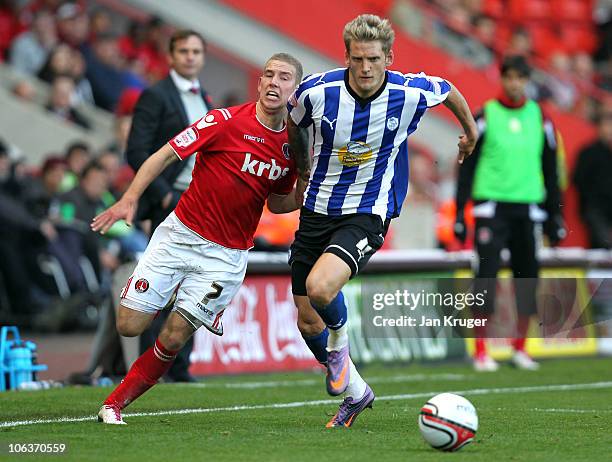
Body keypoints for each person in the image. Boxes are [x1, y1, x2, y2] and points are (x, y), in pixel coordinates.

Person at [287, 14, 477, 428]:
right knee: (305, 316)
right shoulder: (317, 92)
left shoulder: (409, 91)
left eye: (373, 58)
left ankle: (339, 348)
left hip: (367, 211)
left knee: (321, 289)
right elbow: (294, 121)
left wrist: (471, 132)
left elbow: (449, 90)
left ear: (388, 57)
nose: (366, 67)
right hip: (317, 209)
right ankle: (356, 393)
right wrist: (302, 169)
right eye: (358, 59)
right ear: (347, 57)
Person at [93, 53, 304, 424]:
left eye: (284, 77)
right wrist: (129, 197)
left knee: (174, 337)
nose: (274, 82)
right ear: (259, 83)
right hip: (179, 235)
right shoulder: (223, 120)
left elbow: (277, 202)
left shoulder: (292, 145)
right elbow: (164, 155)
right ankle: (174, 290)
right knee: (129, 325)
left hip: (226, 256)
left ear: (294, 90)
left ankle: (114, 405)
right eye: (268, 74)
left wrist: (306, 186)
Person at [454, 55, 566, 372]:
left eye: (520, 78)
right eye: (509, 77)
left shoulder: (540, 118)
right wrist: (461, 213)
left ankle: (520, 349)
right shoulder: (485, 116)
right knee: (486, 277)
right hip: (492, 208)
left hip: (530, 209)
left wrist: (556, 215)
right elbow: (466, 166)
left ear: (527, 81)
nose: (514, 83)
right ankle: (480, 351)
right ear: (502, 79)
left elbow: (551, 169)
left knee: (527, 279)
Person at [125, 29, 213, 383]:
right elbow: (136, 149)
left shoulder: (205, 97)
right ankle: (151, 366)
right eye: (184, 51)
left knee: (194, 283)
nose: (190, 56)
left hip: (201, 200)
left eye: (196, 51)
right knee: (160, 283)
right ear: (171, 56)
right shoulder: (155, 95)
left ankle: (179, 365)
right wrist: (162, 193)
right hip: (171, 200)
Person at [573, 106, 612, 249]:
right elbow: (578, 180)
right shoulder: (588, 152)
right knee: (602, 244)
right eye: (606, 125)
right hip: (595, 209)